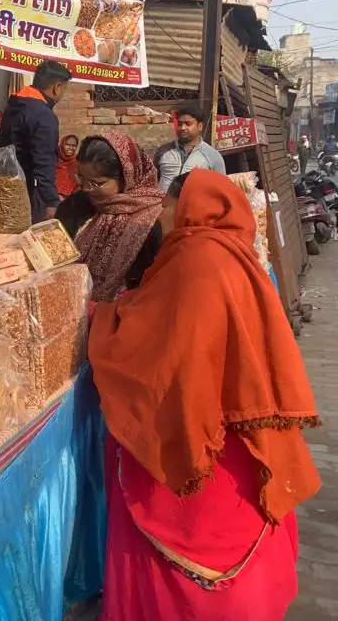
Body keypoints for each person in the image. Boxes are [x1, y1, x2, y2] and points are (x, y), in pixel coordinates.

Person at [89, 169, 321, 621]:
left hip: (202, 447)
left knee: (197, 541)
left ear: (187, 206)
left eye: (169, 207)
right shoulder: (238, 255)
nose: (163, 218)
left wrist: (102, 316)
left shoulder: (195, 259)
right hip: (240, 436)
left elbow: (162, 347)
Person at [55, 133, 162, 301]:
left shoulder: (154, 218)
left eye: (97, 183)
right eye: (82, 179)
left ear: (127, 177)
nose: (87, 189)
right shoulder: (74, 206)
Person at [0, 59, 72, 222]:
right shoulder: (43, 115)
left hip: (6, 186)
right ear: (56, 87)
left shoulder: (13, 106)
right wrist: (51, 200)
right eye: (64, 89)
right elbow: (44, 160)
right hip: (31, 192)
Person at [154, 104, 226, 192]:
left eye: (188, 124)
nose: (182, 128)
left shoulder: (213, 156)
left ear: (200, 126)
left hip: (194, 205)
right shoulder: (163, 151)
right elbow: (153, 180)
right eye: (180, 124)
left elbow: (221, 189)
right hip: (163, 204)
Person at [55, 134, 80, 199]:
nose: (71, 148)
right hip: (52, 199)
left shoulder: (77, 163)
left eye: (74, 146)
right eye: (67, 145)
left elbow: (78, 185)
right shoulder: (54, 160)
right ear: (62, 144)